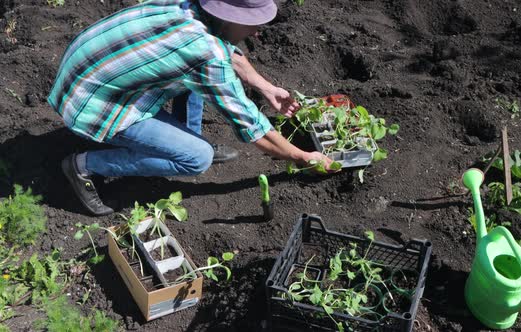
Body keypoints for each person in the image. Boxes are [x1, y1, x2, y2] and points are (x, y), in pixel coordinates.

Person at [48, 0, 334, 216]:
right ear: (228, 16)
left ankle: (187, 136)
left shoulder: (185, 6)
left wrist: (267, 88)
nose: (259, 31)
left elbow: (229, 53)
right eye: (253, 22)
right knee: (197, 159)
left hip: (90, 72)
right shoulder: (205, 54)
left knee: (193, 81)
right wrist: (302, 157)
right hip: (90, 104)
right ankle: (84, 165)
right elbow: (253, 126)